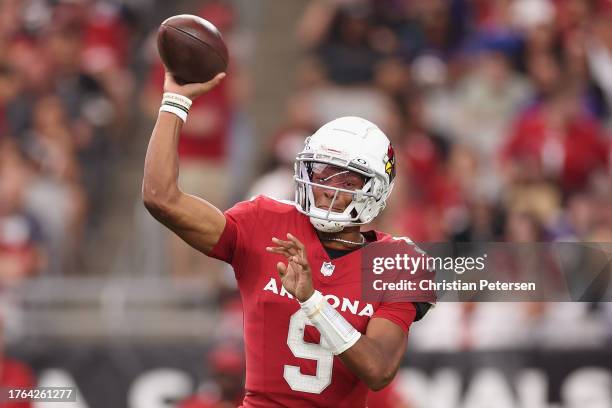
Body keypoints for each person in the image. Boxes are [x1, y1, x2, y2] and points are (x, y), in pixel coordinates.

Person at [142, 71, 431, 407]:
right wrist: (175, 101)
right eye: (321, 174)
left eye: (347, 181)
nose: (328, 190)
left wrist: (313, 302)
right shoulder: (264, 221)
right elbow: (160, 197)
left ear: (376, 189)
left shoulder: (396, 261)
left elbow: (379, 369)